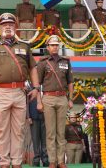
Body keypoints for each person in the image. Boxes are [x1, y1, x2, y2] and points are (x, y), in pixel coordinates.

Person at [0, 13, 40, 168]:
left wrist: (36, 88)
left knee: (19, 130)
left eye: (11, 24)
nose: (8, 27)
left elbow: (33, 68)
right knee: (2, 130)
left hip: (20, 93)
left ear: (16, 27)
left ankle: (17, 162)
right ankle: (4, 163)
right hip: (1, 93)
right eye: (4, 24)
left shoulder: (24, 47)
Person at [37, 35, 74, 168]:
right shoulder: (42, 62)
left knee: (61, 132)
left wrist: (70, 99)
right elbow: (37, 84)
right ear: (47, 47)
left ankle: (61, 161)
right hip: (48, 98)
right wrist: (39, 101)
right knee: (50, 132)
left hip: (62, 98)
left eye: (57, 45)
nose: (55, 47)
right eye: (52, 45)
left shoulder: (66, 61)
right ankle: (52, 161)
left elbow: (70, 82)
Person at [28, 98, 48, 167]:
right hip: (33, 116)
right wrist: (28, 116)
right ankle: (36, 160)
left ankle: (45, 159)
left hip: (46, 116)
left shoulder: (45, 87)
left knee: (45, 140)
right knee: (35, 140)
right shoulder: (30, 87)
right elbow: (27, 102)